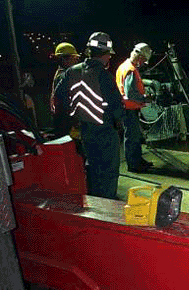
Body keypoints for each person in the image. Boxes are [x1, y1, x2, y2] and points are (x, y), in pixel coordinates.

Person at [53, 32, 124, 200]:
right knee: (109, 173)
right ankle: (108, 210)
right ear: (106, 55)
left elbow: (59, 98)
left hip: (84, 130)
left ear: (89, 51)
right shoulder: (104, 76)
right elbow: (116, 107)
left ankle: (94, 204)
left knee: (91, 169)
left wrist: (72, 117)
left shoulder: (71, 72)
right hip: (105, 132)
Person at [115, 43, 154, 173]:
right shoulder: (130, 70)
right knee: (132, 137)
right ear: (139, 56)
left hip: (128, 108)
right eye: (143, 60)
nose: (143, 63)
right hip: (129, 109)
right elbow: (130, 93)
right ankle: (134, 164)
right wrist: (145, 98)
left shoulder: (124, 67)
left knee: (134, 136)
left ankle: (138, 160)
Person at [50, 42, 81, 138]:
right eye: (74, 58)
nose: (76, 61)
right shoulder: (64, 77)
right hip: (67, 124)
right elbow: (66, 103)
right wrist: (75, 122)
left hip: (63, 122)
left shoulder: (60, 74)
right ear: (64, 59)